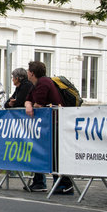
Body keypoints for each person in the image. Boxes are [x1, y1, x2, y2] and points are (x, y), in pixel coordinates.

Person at [25, 60, 73, 194]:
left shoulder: (44, 82)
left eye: (28, 71)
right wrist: (28, 104)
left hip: (54, 123)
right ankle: (40, 181)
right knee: (44, 152)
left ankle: (65, 183)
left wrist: (31, 105)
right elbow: (29, 99)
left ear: (32, 73)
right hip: (46, 123)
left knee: (55, 153)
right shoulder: (35, 84)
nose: (27, 73)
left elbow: (39, 104)